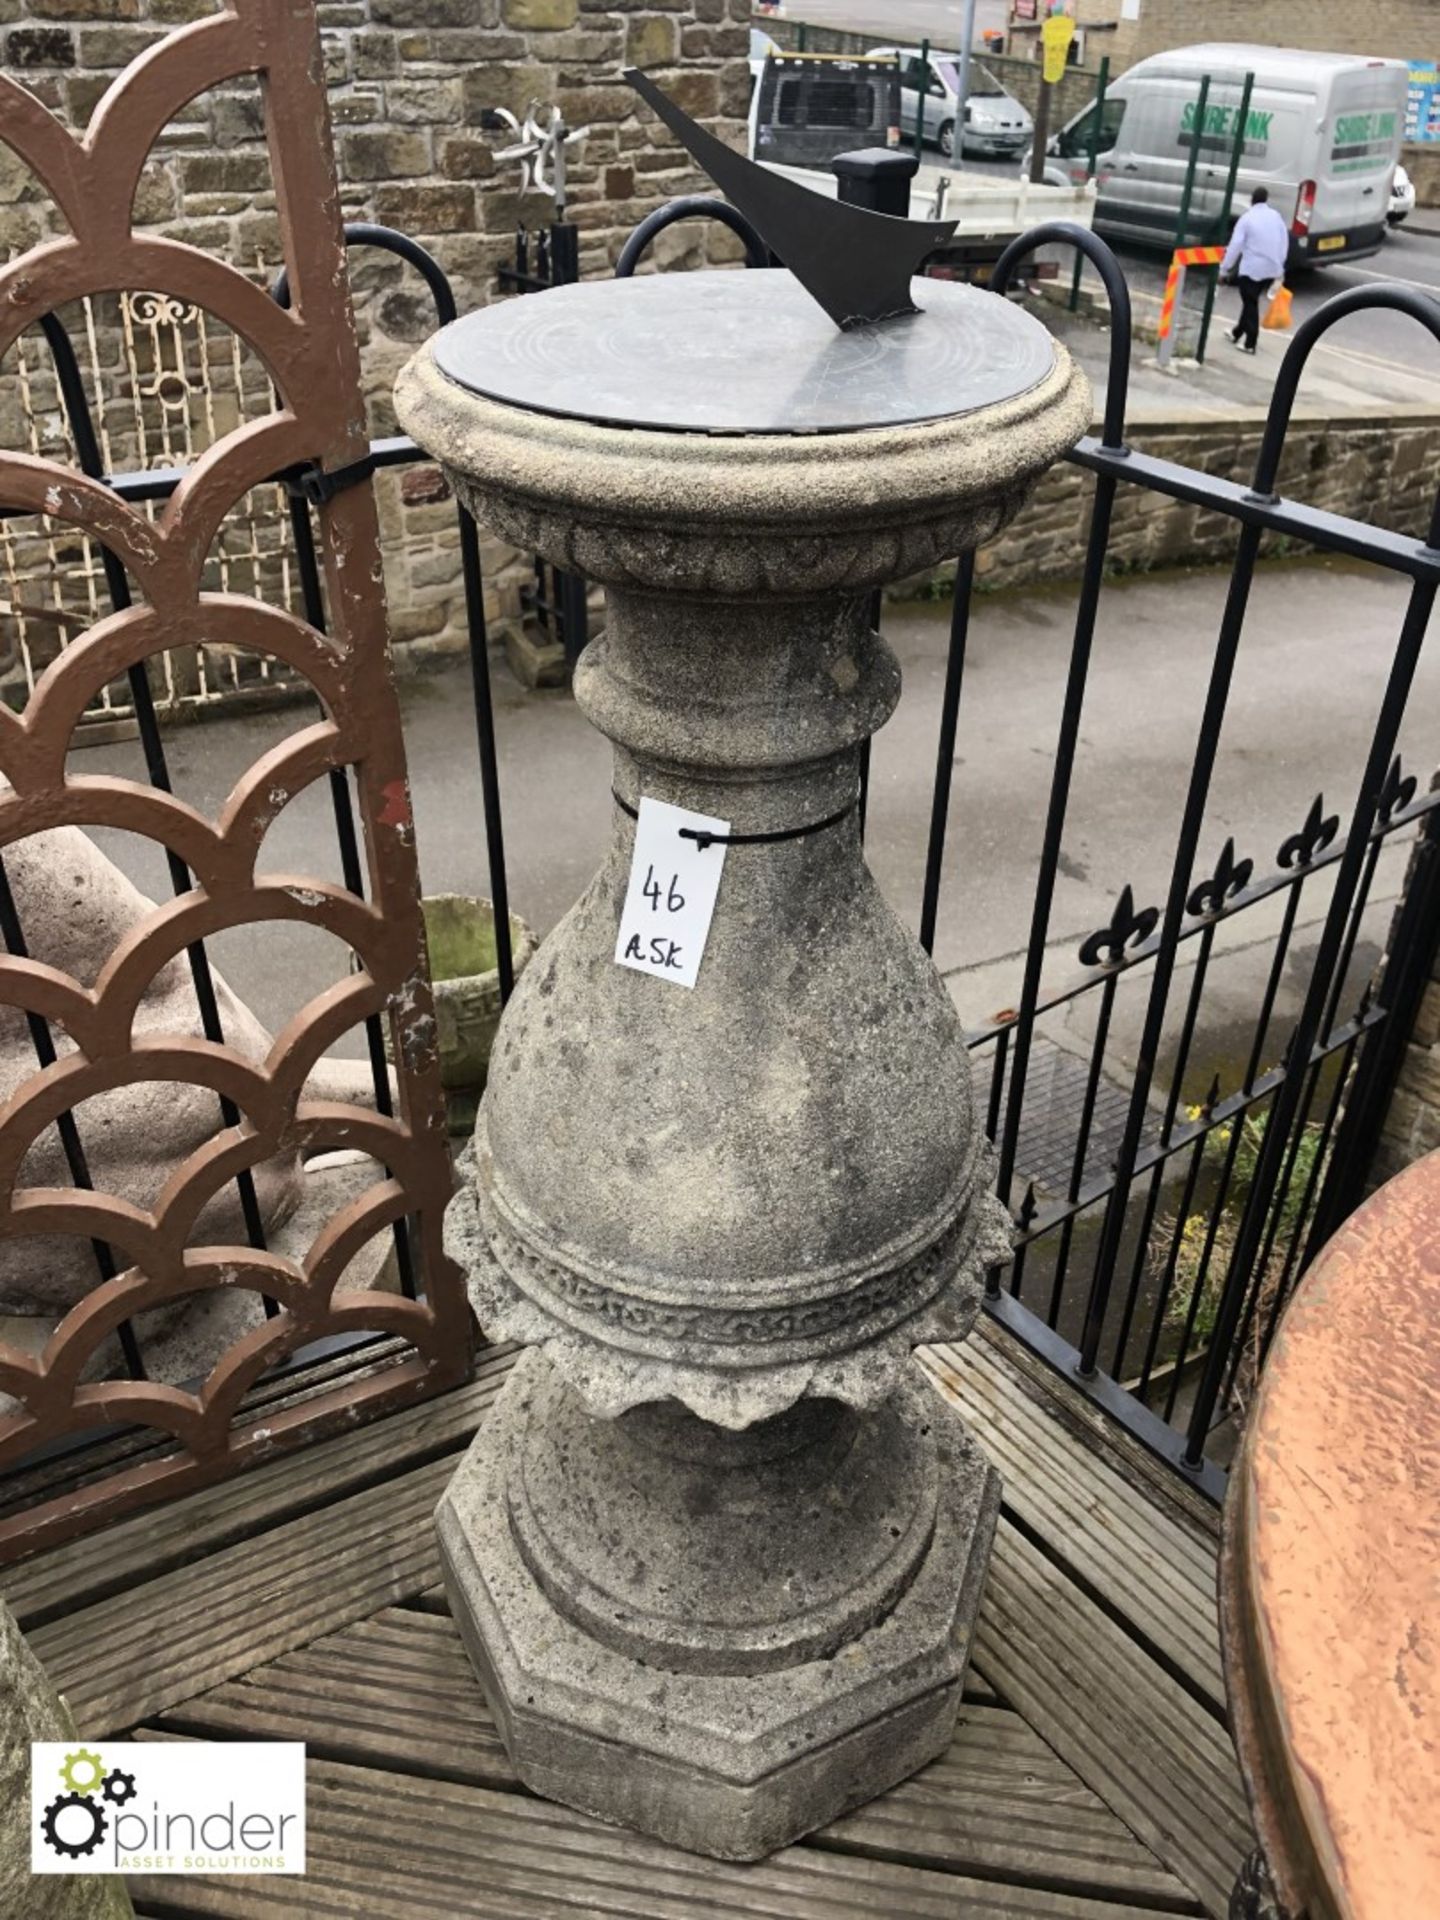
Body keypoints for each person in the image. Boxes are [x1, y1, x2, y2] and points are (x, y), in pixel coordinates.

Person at [1220, 187, 1291, 354]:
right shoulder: (1276, 217)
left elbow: (1235, 246)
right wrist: (1280, 267)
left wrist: (1223, 270)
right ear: (1266, 199)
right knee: (1250, 301)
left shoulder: (1247, 218)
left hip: (1252, 269)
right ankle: (1236, 333)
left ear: (1252, 199)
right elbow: (1283, 242)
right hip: (1272, 269)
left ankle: (1250, 343)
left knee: (1250, 302)